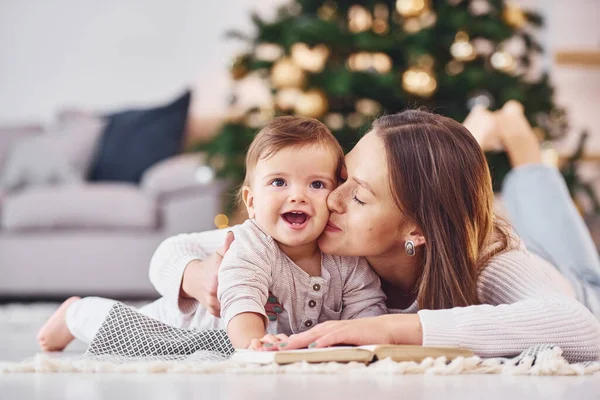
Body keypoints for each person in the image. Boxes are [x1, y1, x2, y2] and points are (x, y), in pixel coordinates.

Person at [146, 101, 600, 362]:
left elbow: (581, 329)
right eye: (340, 178)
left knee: (573, 252)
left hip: (576, 285)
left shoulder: (489, 257)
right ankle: (469, 136)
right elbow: (175, 248)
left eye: (359, 196)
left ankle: (518, 136)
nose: (332, 200)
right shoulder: (328, 231)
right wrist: (197, 275)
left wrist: (391, 327)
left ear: (417, 231)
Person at [37, 116, 387, 352]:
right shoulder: (250, 244)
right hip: (187, 326)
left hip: (244, 344)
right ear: (251, 202)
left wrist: (359, 344)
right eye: (279, 182)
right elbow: (242, 298)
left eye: (316, 184)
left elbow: (367, 308)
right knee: (132, 340)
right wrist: (254, 346)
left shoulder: (345, 258)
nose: (297, 195)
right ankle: (74, 314)